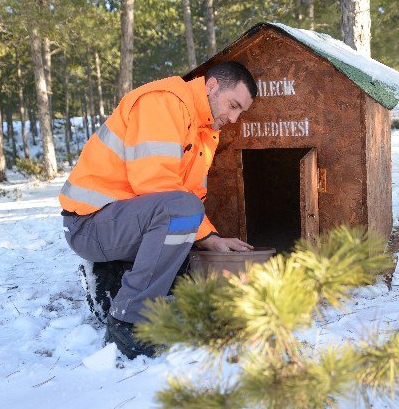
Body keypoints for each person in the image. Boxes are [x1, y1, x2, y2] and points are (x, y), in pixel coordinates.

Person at [59, 61, 257, 358]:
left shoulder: (205, 131)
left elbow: (189, 196)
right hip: (89, 225)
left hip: (122, 221)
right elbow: (156, 183)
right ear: (212, 86)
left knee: (185, 235)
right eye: (233, 105)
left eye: (240, 112)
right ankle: (127, 320)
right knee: (182, 215)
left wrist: (211, 239)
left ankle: (114, 276)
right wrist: (201, 236)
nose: (233, 118)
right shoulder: (163, 102)